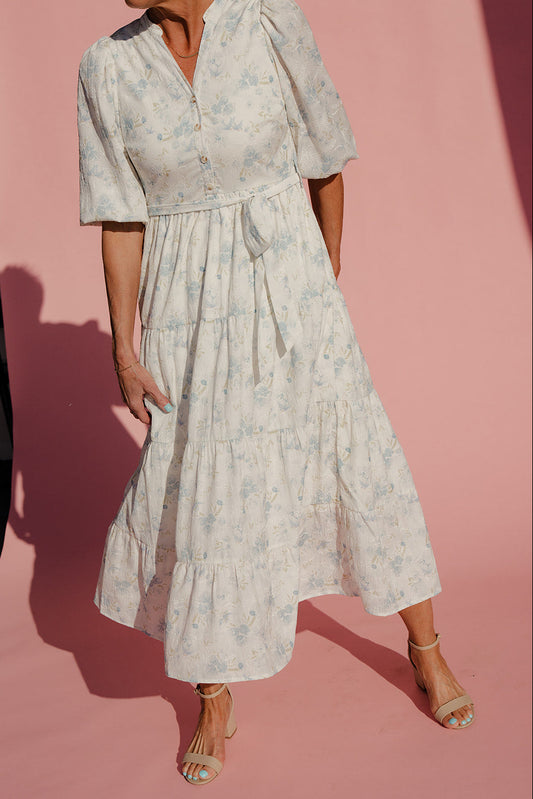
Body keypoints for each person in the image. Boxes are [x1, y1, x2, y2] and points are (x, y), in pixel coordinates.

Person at [77, 0, 475, 786]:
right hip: (186, 310)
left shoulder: (267, 22)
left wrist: (323, 276)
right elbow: (119, 215)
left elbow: (324, 153)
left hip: (289, 283)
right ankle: (214, 694)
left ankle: (424, 647)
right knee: (202, 489)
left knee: (350, 455)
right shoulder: (107, 64)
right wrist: (124, 344)